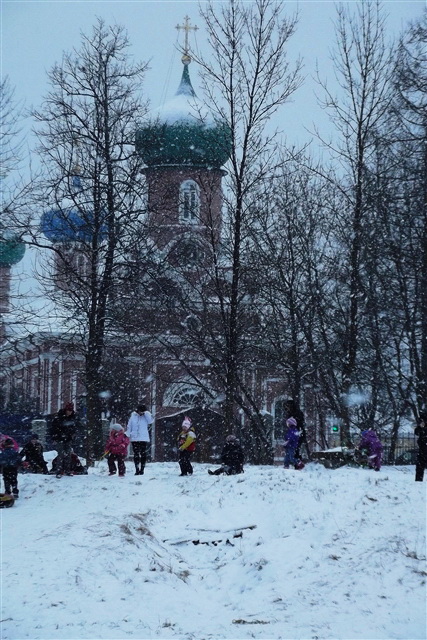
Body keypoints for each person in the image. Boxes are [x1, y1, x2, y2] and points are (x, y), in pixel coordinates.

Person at [50, 401, 79, 478]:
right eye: (69, 410)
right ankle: (59, 471)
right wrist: (55, 437)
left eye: (71, 411)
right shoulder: (59, 418)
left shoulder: (72, 418)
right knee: (61, 454)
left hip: (68, 438)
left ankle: (67, 470)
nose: (69, 412)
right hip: (60, 438)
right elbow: (54, 428)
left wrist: (73, 434)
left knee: (68, 455)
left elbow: (74, 427)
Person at [126, 404, 153, 475]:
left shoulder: (146, 416)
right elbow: (129, 426)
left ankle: (142, 469)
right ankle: (137, 469)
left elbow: (150, 421)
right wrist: (128, 435)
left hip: (143, 438)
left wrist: (146, 413)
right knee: (136, 454)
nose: (141, 413)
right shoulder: (133, 416)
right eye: (140, 411)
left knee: (143, 453)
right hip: (134, 437)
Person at [414, 413, 427, 482]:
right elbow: (416, 432)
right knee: (420, 466)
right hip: (422, 449)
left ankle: (419, 479)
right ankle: (418, 480)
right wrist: (420, 427)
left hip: (423, 447)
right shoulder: (421, 427)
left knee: (420, 465)